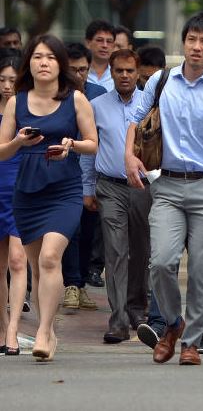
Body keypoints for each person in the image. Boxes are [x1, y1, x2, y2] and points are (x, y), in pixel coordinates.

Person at [124, 12, 203, 366]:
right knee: (161, 262)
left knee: (200, 268)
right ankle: (173, 322)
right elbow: (135, 118)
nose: (196, 47)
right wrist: (128, 156)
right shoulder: (162, 81)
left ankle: (192, 342)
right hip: (166, 185)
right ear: (183, 42)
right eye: (192, 39)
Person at [0, 34, 98, 361]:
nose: (44, 62)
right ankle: (49, 330)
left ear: (60, 64)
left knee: (50, 258)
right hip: (26, 192)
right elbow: (1, 152)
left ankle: (43, 330)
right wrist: (19, 142)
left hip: (64, 189)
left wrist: (71, 144)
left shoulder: (76, 100)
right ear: (29, 62)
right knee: (38, 270)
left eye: (51, 57)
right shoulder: (18, 102)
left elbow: (92, 143)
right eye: (38, 56)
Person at [81, 49, 151, 343]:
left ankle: (138, 309)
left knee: (142, 250)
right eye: (119, 71)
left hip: (143, 186)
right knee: (115, 251)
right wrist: (87, 188)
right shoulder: (95, 105)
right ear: (111, 72)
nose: (124, 76)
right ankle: (118, 319)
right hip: (109, 186)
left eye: (129, 71)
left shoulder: (151, 105)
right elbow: (89, 150)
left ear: (138, 73)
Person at [63, 43, 107, 307]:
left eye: (83, 69)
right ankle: (71, 284)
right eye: (73, 69)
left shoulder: (99, 94)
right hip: (65, 173)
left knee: (89, 233)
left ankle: (80, 285)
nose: (79, 75)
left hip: (93, 172)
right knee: (72, 231)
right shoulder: (56, 96)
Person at [0, 54, 28, 355]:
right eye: (2, 79)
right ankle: (2, 323)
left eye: (12, 79)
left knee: (18, 261)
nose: (8, 86)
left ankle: (13, 330)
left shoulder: (26, 110)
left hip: (20, 192)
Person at [85, 19, 116, 91]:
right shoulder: (79, 72)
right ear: (88, 43)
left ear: (114, 46)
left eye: (109, 41)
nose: (105, 45)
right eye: (99, 40)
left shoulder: (119, 73)